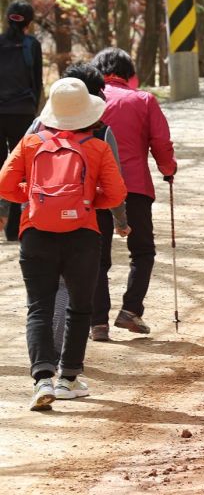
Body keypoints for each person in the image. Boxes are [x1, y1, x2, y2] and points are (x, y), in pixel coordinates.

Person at [0, 77, 127, 410]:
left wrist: (31, 199)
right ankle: (68, 378)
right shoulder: (97, 146)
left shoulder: (30, 144)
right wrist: (85, 203)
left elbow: (4, 185)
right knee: (79, 307)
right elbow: (116, 195)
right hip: (82, 235)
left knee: (39, 307)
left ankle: (42, 378)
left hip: (36, 233)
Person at [27, 63, 131, 348]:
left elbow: (13, 175)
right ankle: (84, 340)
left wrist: (22, 205)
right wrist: (120, 220)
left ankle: (47, 360)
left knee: (48, 290)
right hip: (87, 220)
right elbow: (115, 187)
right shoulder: (101, 135)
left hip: (39, 218)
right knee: (85, 279)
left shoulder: (37, 128)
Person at [91, 48, 177, 335]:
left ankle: (97, 321)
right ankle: (130, 311)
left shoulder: (89, 101)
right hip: (134, 186)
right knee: (142, 251)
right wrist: (168, 169)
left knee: (97, 256)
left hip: (94, 186)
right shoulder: (143, 99)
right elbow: (161, 141)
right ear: (129, 73)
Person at [0, 0, 42, 242]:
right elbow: (37, 81)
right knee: (21, 170)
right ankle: (15, 228)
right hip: (23, 112)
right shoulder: (31, 44)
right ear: (29, 22)